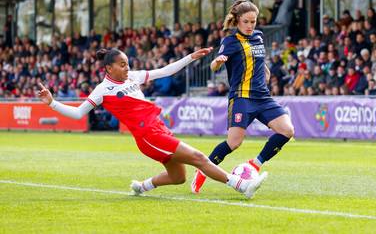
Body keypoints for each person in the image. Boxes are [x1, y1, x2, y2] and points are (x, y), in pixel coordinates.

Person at [37, 47, 267, 199]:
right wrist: (52, 103)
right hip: (148, 136)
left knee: (179, 178)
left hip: (158, 129)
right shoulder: (102, 90)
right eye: (122, 65)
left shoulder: (134, 76)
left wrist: (191, 57)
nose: (127, 68)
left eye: (127, 63)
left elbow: (165, 71)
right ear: (108, 68)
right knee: (199, 158)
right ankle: (240, 185)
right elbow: (78, 114)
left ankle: (142, 186)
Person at [191, 0, 294, 193]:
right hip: (241, 97)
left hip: (263, 97)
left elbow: (257, 60)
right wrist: (218, 62)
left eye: (253, 22)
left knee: (287, 130)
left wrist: (264, 70)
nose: (249, 25)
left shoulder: (260, 37)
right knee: (234, 143)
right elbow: (214, 66)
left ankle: (255, 164)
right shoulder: (230, 41)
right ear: (237, 20)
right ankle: (202, 171)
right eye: (246, 21)